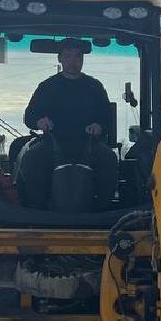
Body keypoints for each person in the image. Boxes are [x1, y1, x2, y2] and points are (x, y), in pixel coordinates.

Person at [21, 39, 119, 209]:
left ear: (82, 59)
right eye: (68, 56)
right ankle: (36, 210)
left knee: (109, 159)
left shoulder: (94, 87)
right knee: (31, 159)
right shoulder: (47, 87)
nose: (73, 61)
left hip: (89, 143)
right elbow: (29, 116)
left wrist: (99, 126)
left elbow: (107, 118)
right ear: (59, 59)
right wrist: (40, 121)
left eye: (78, 57)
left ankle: (104, 209)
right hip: (53, 143)